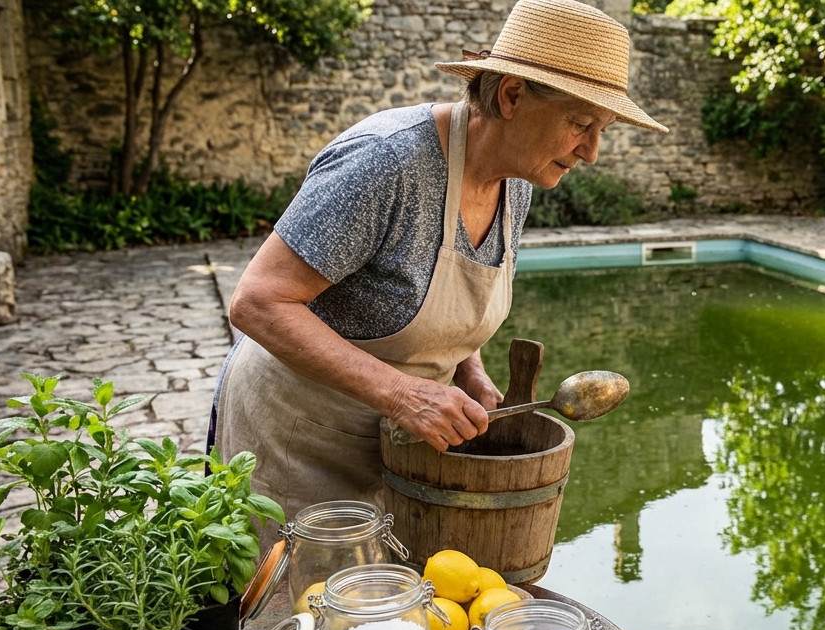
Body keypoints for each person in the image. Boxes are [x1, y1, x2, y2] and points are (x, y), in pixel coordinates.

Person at [211, 0, 667, 520]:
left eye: (604, 129)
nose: (592, 151)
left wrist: (470, 372)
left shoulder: (517, 180)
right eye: (581, 123)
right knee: (293, 573)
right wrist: (404, 395)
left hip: (398, 449)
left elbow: (434, 299)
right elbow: (259, 302)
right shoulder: (387, 162)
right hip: (297, 438)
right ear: (511, 95)